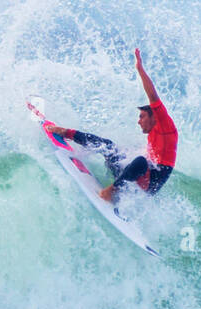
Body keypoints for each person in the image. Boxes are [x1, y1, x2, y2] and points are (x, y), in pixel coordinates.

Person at [47, 49, 178, 202]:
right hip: (136, 179)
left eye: (142, 117)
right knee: (108, 146)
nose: (139, 121)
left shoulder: (166, 127)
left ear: (154, 117)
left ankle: (110, 192)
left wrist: (140, 70)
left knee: (141, 161)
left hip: (151, 182)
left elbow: (153, 95)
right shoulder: (153, 133)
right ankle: (67, 133)